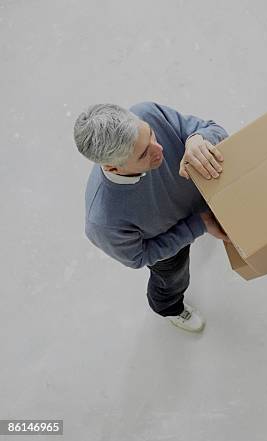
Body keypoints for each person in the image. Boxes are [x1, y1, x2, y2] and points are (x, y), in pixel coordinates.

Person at [73, 101, 229, 332]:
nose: (160, 149)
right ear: (113, 168)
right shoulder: (104, 221)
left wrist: (197, 139)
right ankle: (169, 308)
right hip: (168, 242)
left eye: (152, 135)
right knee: (172, 280)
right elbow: (139, 256)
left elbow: (213, 130)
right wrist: (199, 224)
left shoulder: (146, 113)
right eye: (145, 153)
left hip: (197, 200)